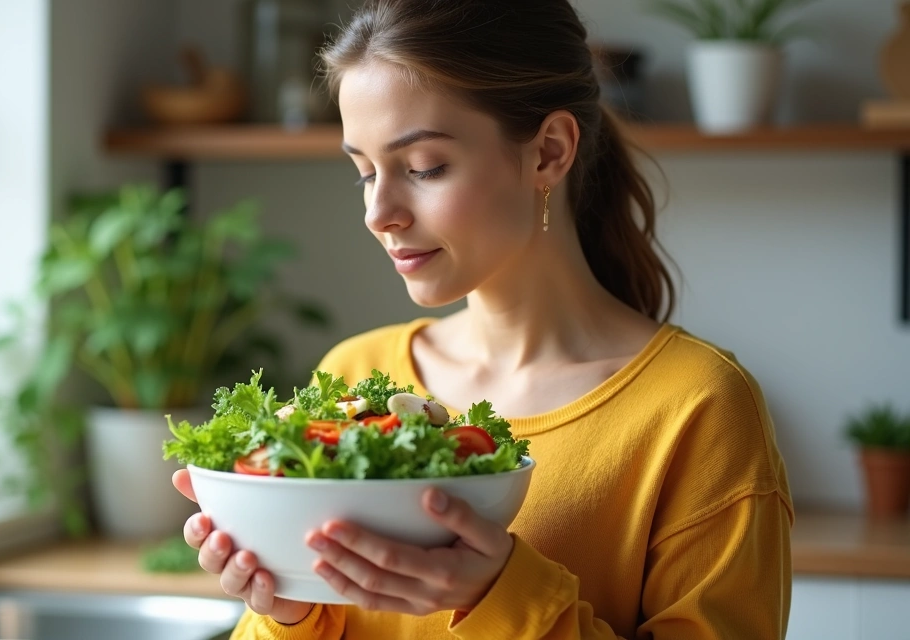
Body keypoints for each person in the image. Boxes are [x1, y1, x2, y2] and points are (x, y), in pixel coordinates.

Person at [170, 1, 794, 637]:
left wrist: (501, 595)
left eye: (423, 168)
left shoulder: (698, 410)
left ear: (549, 152)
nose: (378, 212)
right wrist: (289, 614)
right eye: (363, 172)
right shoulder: (353, 378)